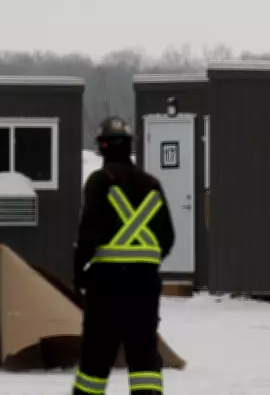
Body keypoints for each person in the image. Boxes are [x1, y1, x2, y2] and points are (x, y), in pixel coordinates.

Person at [72, 116, 175, 395]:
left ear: (102, 147)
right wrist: (143, 261)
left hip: (107, 284)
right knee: (143, 351)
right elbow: (167, 237)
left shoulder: (100, 181)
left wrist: (78, 272)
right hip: (145, 284)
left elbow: (88, 232)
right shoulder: (152, 183)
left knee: (97, 353)